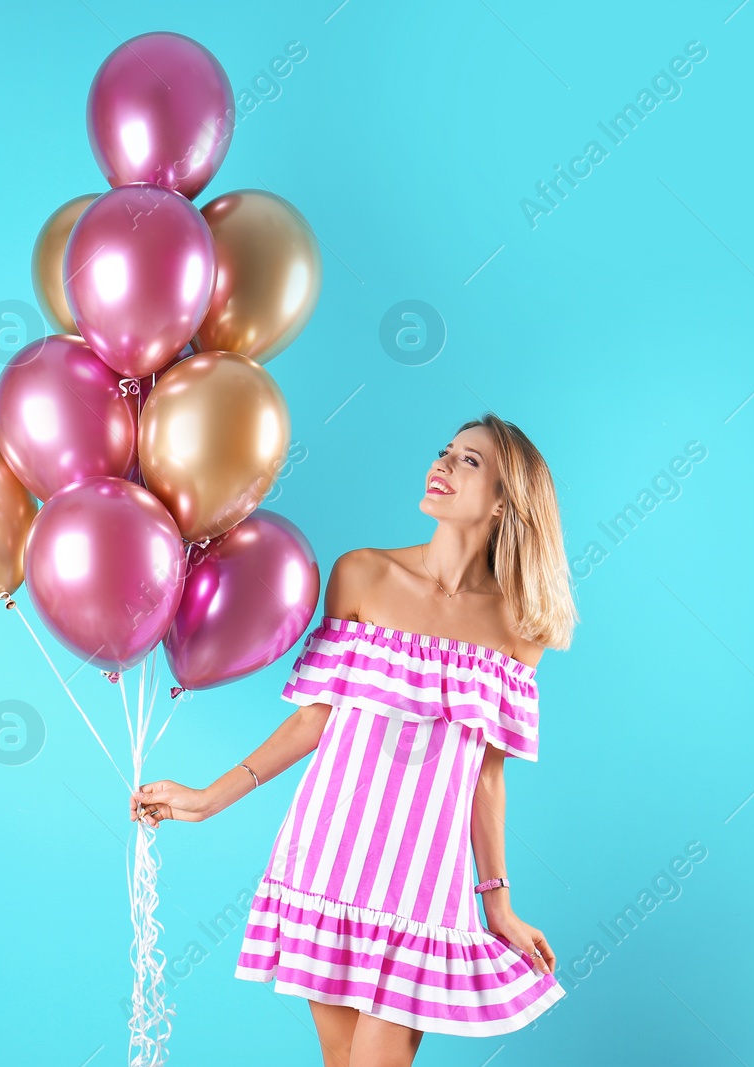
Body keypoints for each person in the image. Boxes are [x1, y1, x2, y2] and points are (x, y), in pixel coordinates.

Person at [129, 413, 579, 1065]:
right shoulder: (362, 574)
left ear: (508, 499)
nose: (445, 465)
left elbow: (486, 773)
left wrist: (498, 905)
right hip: (329, 856)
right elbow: (316, 717)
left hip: (424, 884)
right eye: (445, 451)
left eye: (470, 461)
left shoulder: (521, 626)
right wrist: (206, 798)